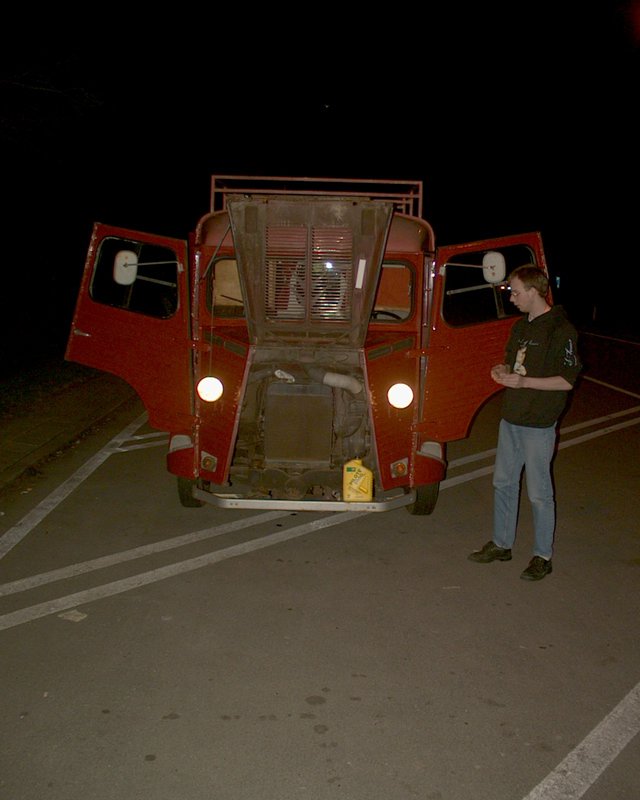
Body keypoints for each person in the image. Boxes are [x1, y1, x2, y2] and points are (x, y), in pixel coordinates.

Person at [468, 265, 582, 581]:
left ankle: (542, 556)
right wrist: (501, 370)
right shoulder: (521, 326)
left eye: (516, 292)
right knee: (502, 482)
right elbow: (512, 363)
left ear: (534, 292)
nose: (513, 297)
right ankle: (502, 544)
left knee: (539, 493)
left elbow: (567, 381)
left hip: (539, 424)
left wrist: (524, 383)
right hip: (512, 418)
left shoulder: (561, 329)